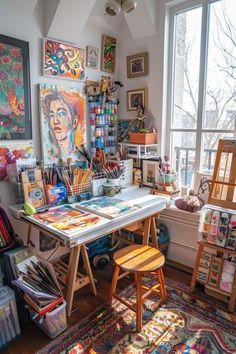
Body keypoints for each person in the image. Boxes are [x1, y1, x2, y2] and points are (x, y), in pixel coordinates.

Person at [42, 91, 84, 162]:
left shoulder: (78, 153)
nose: (55, 121)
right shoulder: (50, 154)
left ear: (74, 122)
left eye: (61, 113)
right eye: (52, 115)